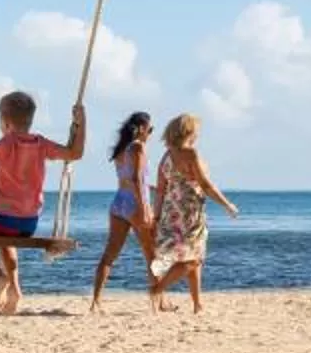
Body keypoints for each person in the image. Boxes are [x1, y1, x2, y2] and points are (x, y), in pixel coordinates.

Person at [0, 90, 85, 315]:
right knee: (7, 241)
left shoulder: (7, 143)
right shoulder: (41, 143)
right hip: (28, 223)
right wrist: (82, 124)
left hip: (1, 218)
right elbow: (74, 153)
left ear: (5, 122)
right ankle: (15, 291)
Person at [145, 113, 239, 312]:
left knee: (193, 258)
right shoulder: (191, 154)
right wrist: (227, 204)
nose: (198, 134)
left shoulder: (166, 155)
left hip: (171, 212)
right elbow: (205, 184)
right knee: (194, 259)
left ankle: (197, 304)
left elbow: (161, 189)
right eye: (196, 130)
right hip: (189, 213)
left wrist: (156, 216)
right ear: (188, 132)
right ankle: (157, 289)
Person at [88, 111, 156, 312]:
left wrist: (153, 189)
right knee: (152, 254)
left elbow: (128, 180)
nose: (149, 134)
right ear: (142, 128)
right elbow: (136, 179)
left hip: (120, 202)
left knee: (110, 254)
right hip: (135, 203)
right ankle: (158, 301)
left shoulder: (121, 149)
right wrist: (144, 207)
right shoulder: (138, 147)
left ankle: (96, 300)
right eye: (150, 130)